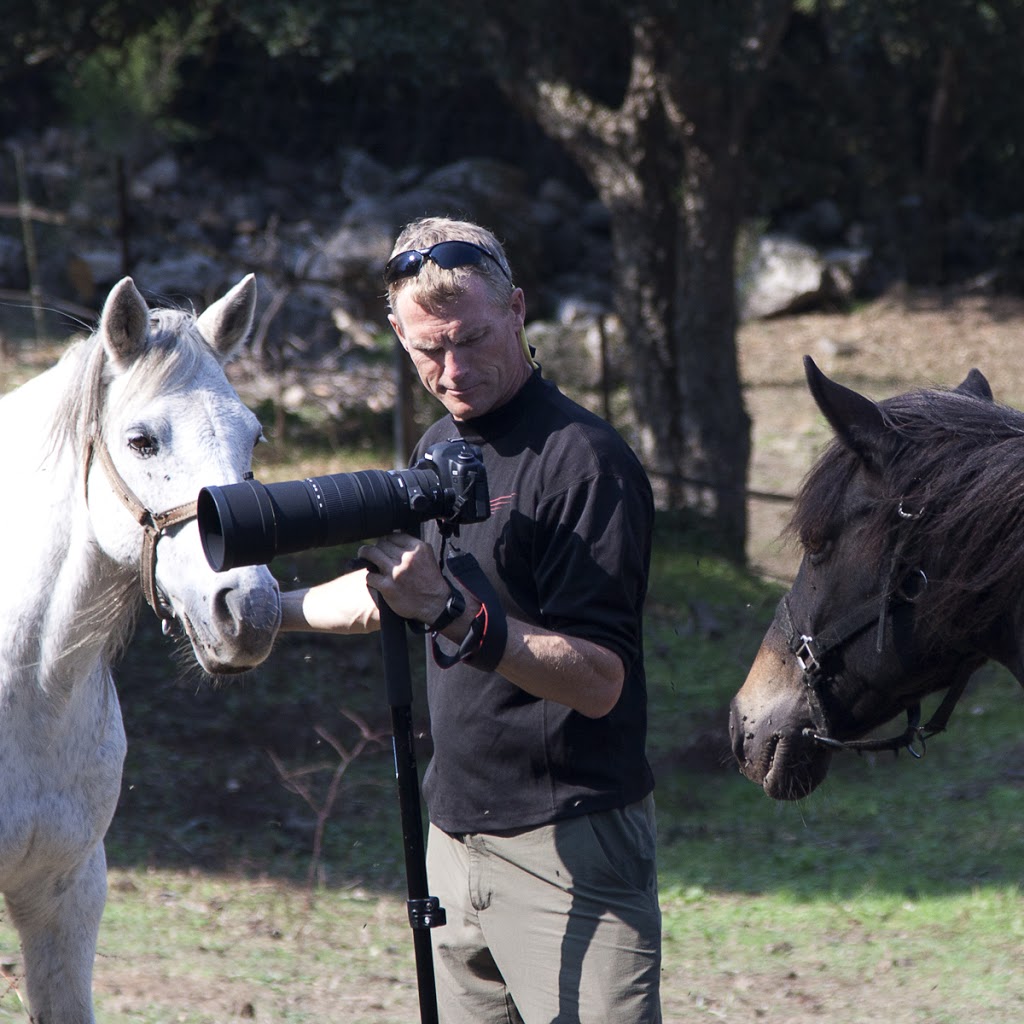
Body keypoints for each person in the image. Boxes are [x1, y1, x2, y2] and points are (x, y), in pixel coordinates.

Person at [280, 216, 661, 1023]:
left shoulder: (584, 461)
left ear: (518, 310)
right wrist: (263, 616)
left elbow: (600, 682)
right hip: (451, 845)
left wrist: (454, 615)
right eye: (427, 350)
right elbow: (393, 591)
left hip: (572, 849)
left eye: (471, 339)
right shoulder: (437, 446)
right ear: (395, 334)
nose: (452, 371)